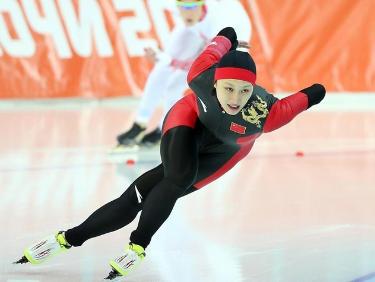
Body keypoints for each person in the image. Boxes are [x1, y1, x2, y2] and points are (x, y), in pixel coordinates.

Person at [15, 27, 326, 280]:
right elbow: (222, 38)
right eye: (228, 88)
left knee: (143, 192)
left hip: (226, 151)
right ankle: (136, 246)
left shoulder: (267, 114)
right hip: (189, 119)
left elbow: (307, 97)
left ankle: (67, 239)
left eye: (244, 91)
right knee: (177, 177)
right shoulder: (200, 75)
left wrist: (317, 91)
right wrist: (229, 36)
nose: (236, 98)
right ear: (215, 81)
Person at [116, 0, 252, 148]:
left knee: (205, 83)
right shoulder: (185, 12)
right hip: (200, 28)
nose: (186, 12)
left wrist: (171, 61)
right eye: (182, 7)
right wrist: (166, 58)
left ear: (202, 4)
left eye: (191, 7)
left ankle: (169, 128)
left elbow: (206, 65)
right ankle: (140, 122)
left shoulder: (220, 20)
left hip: (231, 44)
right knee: (163, 67)